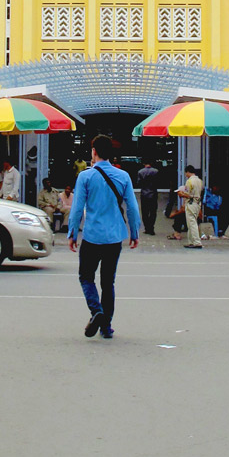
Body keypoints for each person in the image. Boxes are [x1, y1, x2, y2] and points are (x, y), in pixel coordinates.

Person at [67, 135, 140, 339]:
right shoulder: (123, 176)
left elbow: (77, 208)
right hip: (115, 237)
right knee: (108, 282)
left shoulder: (85, 176)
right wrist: (134, 232)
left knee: (86, 277)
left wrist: (72, 233)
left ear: (94, 152)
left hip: (92, 237)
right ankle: (106, 327)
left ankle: (96, 310)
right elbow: (132, 208)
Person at [176, 166, 205, 248]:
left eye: (186, 173)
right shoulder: (200, 181)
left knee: (192, 223)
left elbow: (188, 194)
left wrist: (181, 193)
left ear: (188, 172)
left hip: (191, 203)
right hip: (198, 203)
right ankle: (191, 241)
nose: (185, 175)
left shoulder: (189, 181)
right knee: (191, 222)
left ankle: (196, 242)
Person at [136, 160, 159, 235]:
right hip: (153, 193)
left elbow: (139, 183)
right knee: (153, 212)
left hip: (144, 194)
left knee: (145, 212)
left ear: (143, 163)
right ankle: (151, 228)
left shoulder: (140, 172)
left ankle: (147, 228)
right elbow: (158, 182)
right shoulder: (156, 171)